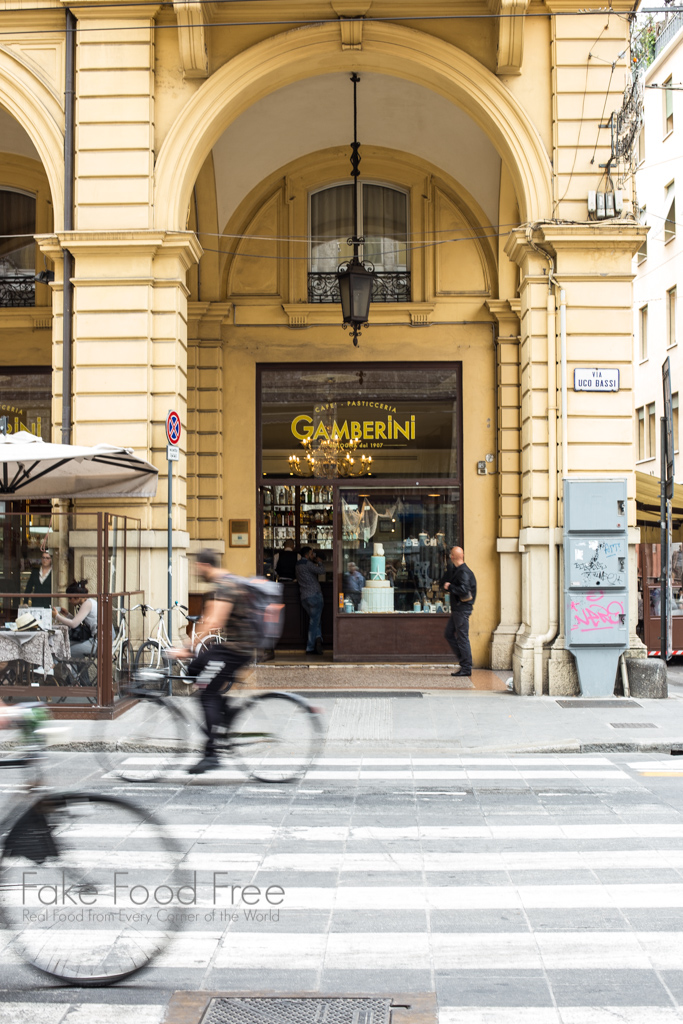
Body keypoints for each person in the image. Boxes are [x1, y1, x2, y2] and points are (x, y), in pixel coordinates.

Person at [171, 549, 256, 775]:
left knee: (206, 692)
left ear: (205, 565)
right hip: (235, 647)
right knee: (198, 668)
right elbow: (208, 619)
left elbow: (213, 622)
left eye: (196, 568)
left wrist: (187, 648)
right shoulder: (227, 583)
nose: (195, 572)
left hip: (237, 649)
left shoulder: (225, 586)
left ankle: (211, 755)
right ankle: (226, 712)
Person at [441, 546, 476, 677]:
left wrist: (450, 586)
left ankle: (466, 667)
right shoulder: (460, 570)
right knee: (449, 634)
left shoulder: (463, 572)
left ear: (452, 557)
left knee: (462, 638)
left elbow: (464, 590)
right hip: (459, 610)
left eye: (451, 555)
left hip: (461, 610)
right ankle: (464, 662)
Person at [53, 580, 97, 659]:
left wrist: (57, 616)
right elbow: (77, 621)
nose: (69, 601)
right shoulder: (89, 602)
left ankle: (50, 668)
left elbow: (74, 624)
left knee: (63, 650)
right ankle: (80, 671)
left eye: (70, 598)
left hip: (98, 644)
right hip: (96, 640)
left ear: (77, 596)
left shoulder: (87, 604)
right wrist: (67, 615)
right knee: (66, 645)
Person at [296, 545, 325, 655]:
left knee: (315, 620)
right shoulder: (308, 564)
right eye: (312, 553)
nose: (313, 555)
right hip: (314, 596)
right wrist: (320, 562)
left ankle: (318, 640)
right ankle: (310, 647)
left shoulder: (298, 564)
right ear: (307, 555)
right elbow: (322, 571)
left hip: (304, 596)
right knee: (314, 622)